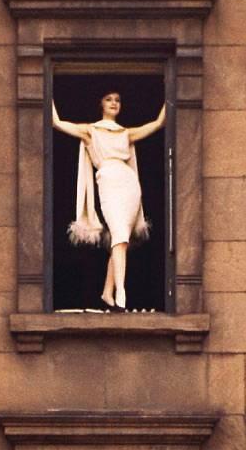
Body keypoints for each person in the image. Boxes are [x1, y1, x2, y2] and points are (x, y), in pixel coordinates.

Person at [52, 86, 165, 312]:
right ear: (101, 104)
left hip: (130, 185)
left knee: (120, 240)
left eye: (117, 100)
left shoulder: (126, 133)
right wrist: (44, 90)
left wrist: (172, 93)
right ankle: (121, 294)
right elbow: (57, 122)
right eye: (108, 99)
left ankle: (107, 292)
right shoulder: (90, 131)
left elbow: (157, 123)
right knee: (120, 237)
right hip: (109, 181)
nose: (114, 103)